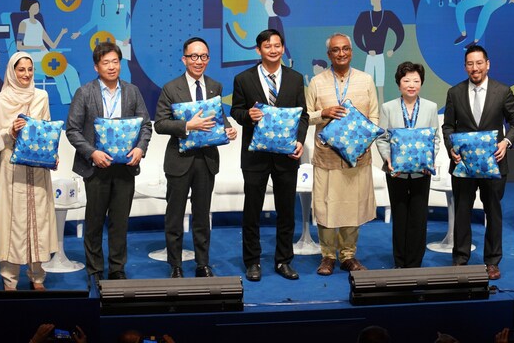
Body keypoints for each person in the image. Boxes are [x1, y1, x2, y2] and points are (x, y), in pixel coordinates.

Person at [66, 42, 152, 281]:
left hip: (125, 167)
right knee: (94, 223)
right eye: (106, 63)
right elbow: (73, 130)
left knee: (120, 222)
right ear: (96, 67)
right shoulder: (85, 92)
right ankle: (95, 270)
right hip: (96, 168)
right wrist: (92, 152)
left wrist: (140, 149)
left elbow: (145, 125)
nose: (112, 67)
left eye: (115, 61)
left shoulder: (132, 91)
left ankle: (117, 269)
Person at [154, 37, 237, 278]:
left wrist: (228, 128)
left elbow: (219, 117)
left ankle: (203, 264)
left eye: (203, 57)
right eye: (193, 56)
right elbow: (160, 124)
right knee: (175, 216)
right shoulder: (171, 88)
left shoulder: (214, 86)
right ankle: (176, 265)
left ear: (208, 59)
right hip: (179, 161)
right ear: (184, 59)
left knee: (202, 216)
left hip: (206, 160)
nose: (198, 61)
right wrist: (187, 126)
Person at [231, 29, 309, 281]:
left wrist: (299, 141)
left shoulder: (295, 78)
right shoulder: (243, 79)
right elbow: (236, 111)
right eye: (267, 46)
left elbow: (303, 115)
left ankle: (284, 260)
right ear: (259, 50)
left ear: (283, 48)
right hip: (255, 156)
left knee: (286, 210)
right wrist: (247, 115)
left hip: (287, 156)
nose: (273, 50)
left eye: (277, 45)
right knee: (252, 210)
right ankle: (252, 261)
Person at [442, 45, 514, 280]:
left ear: (488, 64)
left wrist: (506, 142)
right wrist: (451, 148)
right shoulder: (454, 92)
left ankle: (492, 262)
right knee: (462, 212)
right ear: (465, 67)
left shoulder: (503, 91)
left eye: (479, 63)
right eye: (470, 64)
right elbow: (448, 127)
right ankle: (460, 259)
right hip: (463, 166)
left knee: (493, 213)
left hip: (494, 165)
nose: (475, 68)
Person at [0, 52, 58, 291]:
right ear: (12, 72)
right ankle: (10, 278)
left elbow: (47, 130)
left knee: (38, 220)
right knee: (12, 222)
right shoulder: (0, 100)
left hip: (38, 168)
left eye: (30, 69)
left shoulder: (41, 96)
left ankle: (37, 276)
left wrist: (53, 154)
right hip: (12, 169)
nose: (26, 74)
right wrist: (11, 131)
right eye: (21, 70)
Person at [306, 33, 378, 276]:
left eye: (345, 48)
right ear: (329, 54)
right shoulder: (317, 82)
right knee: (325, 206)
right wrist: (323, 113)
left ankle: (348, 255)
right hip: (326, 156)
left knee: (352, 206)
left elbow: (374, 115)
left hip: (357, 156)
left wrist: (367, 141)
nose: (341, 53)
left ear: (351, 51)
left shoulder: (366, 80)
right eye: (336, 50)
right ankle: (327, 256)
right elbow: (305, 116)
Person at [376, 62, 440, 268]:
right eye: (406, 80)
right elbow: (382, 138)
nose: (411, 85)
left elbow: (435, 138)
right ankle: (400, 261)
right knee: (400, 215)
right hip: (396, 171)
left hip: (422, 170)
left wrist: (429, 159)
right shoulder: (388, 107)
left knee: (419, 217)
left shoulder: (430, 107)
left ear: (421, 83)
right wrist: (387, 159)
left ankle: (415, 262)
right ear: (399, 83)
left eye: (416, 81)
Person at [17, 0, 81, 104]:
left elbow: (52, 45)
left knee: (71, 70)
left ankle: (79, 100)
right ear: (29, 9)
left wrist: (61, 33)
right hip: (34, 61)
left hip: (47, 58)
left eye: (38, 7)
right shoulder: (23, 24)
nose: (37, 9)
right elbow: (19, 46)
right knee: (58, 73)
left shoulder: (38, 24)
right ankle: (66, 101)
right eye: (34, 7)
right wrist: (37, 48)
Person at [71, 0, 132, 81]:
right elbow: (93, 21)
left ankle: (127, 91)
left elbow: (132, 17)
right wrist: (80, 32)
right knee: (104, 66)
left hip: (121, 39)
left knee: (123, 67)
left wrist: (128, 36)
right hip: (103, 39)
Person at [353, 0, 404, 105]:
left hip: (380, 55)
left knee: (380, 85)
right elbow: (357, 36)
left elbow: (400, 32)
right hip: (369, 56)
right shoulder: (365, 16)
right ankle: (367, 107)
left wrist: (393, 49)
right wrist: (366, 49)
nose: (371, 0)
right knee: (367, 84)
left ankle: (381, 108)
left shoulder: (387, 15)